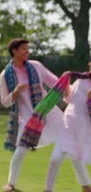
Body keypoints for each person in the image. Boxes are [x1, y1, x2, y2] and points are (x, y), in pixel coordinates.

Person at [0, 38, 64, 192]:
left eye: (28, 48)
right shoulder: (5, 75)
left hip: (49, 112)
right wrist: (15, 92)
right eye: (23, 49)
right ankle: (10, 184)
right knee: (20, 151)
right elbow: (5, 102)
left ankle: (85, 184)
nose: (27, 51)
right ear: (14, 51)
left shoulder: (36, 66)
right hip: (28, 119)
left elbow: (54, 81)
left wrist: (67, 87)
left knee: (70, 141)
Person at [44, 62, 91, 192]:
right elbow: (69, 98)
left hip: (83, 128)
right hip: (67, 124)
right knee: (55, 159)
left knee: (77, 158)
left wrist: (89, 100)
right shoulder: (80, 81)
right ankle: (48, 189)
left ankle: (86, 187)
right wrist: (66, 86)